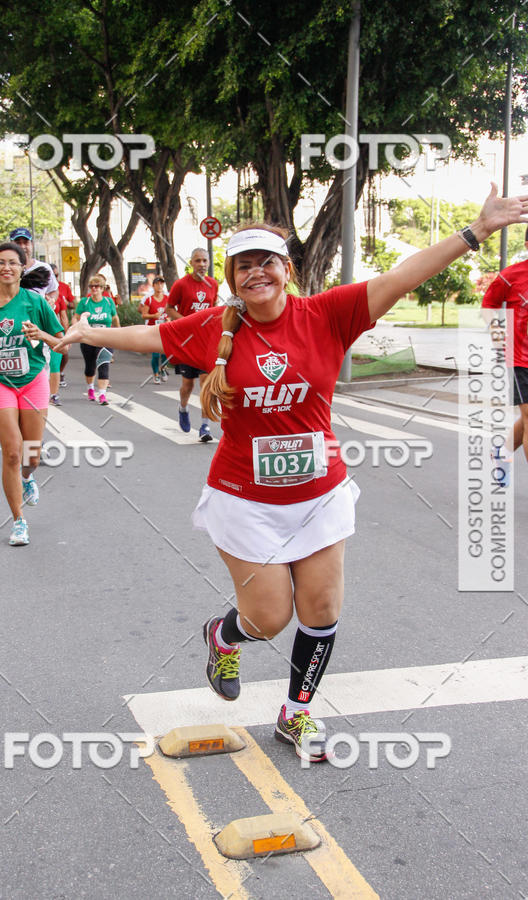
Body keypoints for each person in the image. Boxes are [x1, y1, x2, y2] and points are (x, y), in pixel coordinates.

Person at [55, 184, 527, 760]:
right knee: (269, 616)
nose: (257, 274)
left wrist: (475, 231)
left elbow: (403, 277)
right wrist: (86, 333)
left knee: (322, 610)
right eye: (244, 266)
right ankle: (223, 635)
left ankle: (297, 713)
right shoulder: (216, 330)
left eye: (267, 263)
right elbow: (151, 336)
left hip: (320, 494)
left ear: (287, 269)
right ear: (233, 279)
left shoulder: (328, 315)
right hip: (244, 499)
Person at [0, 242, 64, 546]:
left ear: (23, 267)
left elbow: (61, 341)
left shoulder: (35, 302)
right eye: (0, 263)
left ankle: (28, 477)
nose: (6, 268)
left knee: (32, 455)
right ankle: (19, 521)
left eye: (12, 262)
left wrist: (40, 335)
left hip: (32, 380)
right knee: (12, 452)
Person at [481, 226, 528, 486]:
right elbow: (488, 304)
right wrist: (495, 328)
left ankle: (502, 452)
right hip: (521, 360)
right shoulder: (511, 276)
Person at [167, 248, 218, 441]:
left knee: (206, 384)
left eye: (205, 261)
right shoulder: (181, 285)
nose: (202, 265)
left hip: (206, 342)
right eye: (198, 261)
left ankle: (205, 426)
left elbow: (213, 309)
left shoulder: (213, 284)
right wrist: (188, 323)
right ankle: (183, 408)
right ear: (191, 263)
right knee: (187, 385)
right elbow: (169, 309)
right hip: (187, 343)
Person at [73, 273, 120, 405]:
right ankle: (90, 389)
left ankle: (103, 394)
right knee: (90, 367)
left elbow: (115, 318)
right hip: (88, 338)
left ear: (102, 288)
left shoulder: (108, 302)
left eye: (97, 286)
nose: (94, 289)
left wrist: (119, 332)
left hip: (106, 337)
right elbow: (76, 317)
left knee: (104, 365)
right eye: (91, 286)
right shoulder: (84, 302)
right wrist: (75, 328)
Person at [0, 228, 58, 305]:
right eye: (18, 243)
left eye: (26, 242)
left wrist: (51, 301)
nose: (22, 246)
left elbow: (54, 290)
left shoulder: (44, 268)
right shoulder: (2, 271)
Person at [139, 275, 169, 383]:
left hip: (164, 329)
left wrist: (169, 319)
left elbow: (171, 312)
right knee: (156, 354)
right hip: (152, 329)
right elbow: (143, 315)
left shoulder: (167, 298)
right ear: (154, 286)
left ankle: (163, 368)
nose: (160, 286)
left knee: (166, 352)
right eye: (157, 284)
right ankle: (156, 373)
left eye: (161, 284)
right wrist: (153, 316)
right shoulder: (149, 299)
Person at [51, 263, 74, 387]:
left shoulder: (60, 291)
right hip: (38, 331)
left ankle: (60, 374)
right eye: (51, 275)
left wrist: (67, 335)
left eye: (56, 275)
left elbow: (64, 316)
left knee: (62, 354)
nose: (54, 278)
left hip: (55, 330)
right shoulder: (35, 293)